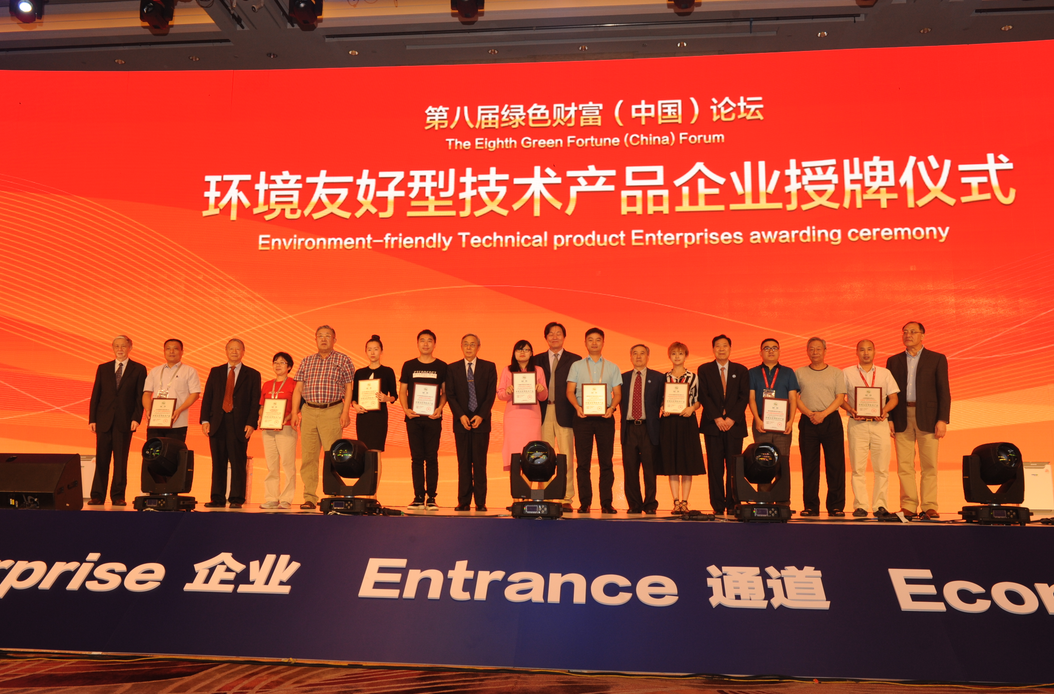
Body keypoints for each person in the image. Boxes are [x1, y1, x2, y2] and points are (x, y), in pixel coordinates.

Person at [886, 321, 951, 520]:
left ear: (923, 335)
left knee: (929, 465)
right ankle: (908, 506)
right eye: (905, 332)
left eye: (913, 332)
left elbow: (944, 391)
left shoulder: (937, 359)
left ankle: (929, 506)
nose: (908, 335)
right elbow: (889, 393)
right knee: (904, 465)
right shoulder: (893, 361)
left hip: (929, 418)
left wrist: (942, 419)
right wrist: (889, 418)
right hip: (901, 416)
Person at [291, 325, 355, 510]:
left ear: (334, 340)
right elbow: (298, 389)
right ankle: (309, 497)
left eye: (328, 336)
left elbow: (349, 388)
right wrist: (295, 412)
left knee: (333, 456)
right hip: (309, 411)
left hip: (332, 410)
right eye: (320, 336)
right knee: (308, 457)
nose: (324, 339)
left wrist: (345, 412)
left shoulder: (343, 359)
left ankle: (333, 495)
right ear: (315, 339)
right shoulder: (307, 361)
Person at [565, 327, 622, 514]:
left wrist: (612, 408)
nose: (594, 343)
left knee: (606, 462)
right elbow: (570, 391)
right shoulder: (577, 366)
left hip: (605, 418)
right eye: (590, 339)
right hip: (583, 418)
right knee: (583, 463)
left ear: (603, 342)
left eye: (598, 339)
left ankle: (606, 502)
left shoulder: (612, 367)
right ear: (585, 343)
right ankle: (585, 502)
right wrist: (577, 407)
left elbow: (617, 393)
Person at [200, 339, 262, 509]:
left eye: (238, 349)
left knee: (238, 462)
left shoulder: (253, 374)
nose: (234, 352)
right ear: (226, 351)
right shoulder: (216, 371)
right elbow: (208, 397)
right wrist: (205, 420)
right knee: (218, 462)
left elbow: (255, 401)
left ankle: (236, 498)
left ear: (243, 352)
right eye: (231, 349)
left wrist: (251, 423)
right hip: (217, 423)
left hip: (240, 424)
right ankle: (217, 498)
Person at [842, 340, 900, 518]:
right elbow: (839, 398)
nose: (866, 353)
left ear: (875, 352)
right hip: (857, 424)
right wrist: (850, 409)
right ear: (856, 352)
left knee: (882, 468)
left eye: (869, 349)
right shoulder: (847, 373)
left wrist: (884, 410)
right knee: (857, 468)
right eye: (862, 350)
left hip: (879, 424)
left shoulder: (885, 373)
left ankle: (880, 505)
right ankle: (860, 506)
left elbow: (894, 398)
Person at [87, 335, 147, 507]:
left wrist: (136, 417)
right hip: (103, 420)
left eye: (123, 346)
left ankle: (118, 495)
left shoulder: (139, 369)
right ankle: (97, 495)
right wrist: (92, 418)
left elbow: (139, 396)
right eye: (117, 346)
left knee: (121, 461)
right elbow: (96, 394)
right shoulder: (103, 368)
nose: (120, 349)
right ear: (113, 348)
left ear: (130, 348)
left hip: (125, 421)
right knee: (101, 459)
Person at [794, 338, 847, 517]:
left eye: (818, 349)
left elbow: (840, 398)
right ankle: (811, 506)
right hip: (808, 420)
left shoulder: (836, 372)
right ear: (807, 351)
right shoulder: (799, 372)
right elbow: (795, 398)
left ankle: (836, 506)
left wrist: (823, 414)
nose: (815, 352)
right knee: (809, 465)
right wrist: (810, 414)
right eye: (811, 349)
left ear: (825, 351)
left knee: (835, 464)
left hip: (831, 420)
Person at [697, 335, 750, 515]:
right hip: (713, 426)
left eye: (724, 346)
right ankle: (718, 505)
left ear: (730, 348)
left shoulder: (741, 370)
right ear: (713, 349)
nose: (721, 349)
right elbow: (704, 395)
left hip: (734, 426)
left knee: (734, 466)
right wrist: (718, 418)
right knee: (715, 467)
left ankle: (733, 503)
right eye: (718, 346)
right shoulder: (704, 369)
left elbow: (744, 397)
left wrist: (731, 419)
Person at [533, 322, 581, 512]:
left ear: (564, 337)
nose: (555, 337)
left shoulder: (575, 360)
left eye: (558, 333)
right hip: (542, 412)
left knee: (566, 456)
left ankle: (565, 497)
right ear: (545, 337)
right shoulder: (536, 359)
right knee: (542, 456)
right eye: (551, 334)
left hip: (565, 412)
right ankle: (543, 495)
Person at [398, 329, 448, 511]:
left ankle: (432, 497)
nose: (425, 344)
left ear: (434, 344)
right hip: (413, 418)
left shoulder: (442, 366)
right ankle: (418, 497)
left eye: (429, 340)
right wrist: (406, 410)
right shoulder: (409, 365)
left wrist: (440, 408)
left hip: (433, 419)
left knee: (432, 458)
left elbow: (445, 393)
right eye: (422, 340)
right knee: (417, 458)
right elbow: (402, 391)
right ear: (417, 343)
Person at [447, 334, 498, 511]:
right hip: (461, 423)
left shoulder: (489, 367)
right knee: (463, 463)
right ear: (461, 346)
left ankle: (481, 502)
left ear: (478, 347)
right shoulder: (452, 368)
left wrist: (481, 415)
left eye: (472, 344)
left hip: (481, 422)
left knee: (480, 463)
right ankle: (463, 501)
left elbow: (491, 394)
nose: (469, 347)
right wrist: (460, 415)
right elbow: (450, 395)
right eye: (466, 344)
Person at [747, 338, 799, 499]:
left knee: (782, 462)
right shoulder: (752, 372)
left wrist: (790, 421)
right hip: (761, 423)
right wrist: (757, 419)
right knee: (763, 461)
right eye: (767, 348)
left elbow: (793, 398)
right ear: (760, 352)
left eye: (774, 348)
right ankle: (764, 500)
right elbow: (751, 398)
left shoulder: (788, 372)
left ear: (779, 351)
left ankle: (783, 501)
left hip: (783, 424)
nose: (771, 351)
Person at [659, 341, 705, 514]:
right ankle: (676, 502)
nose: (677, 357)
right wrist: (663, 408)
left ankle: (685, 502)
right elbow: (660, 400)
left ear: (686, 356)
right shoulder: (664, 378)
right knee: (671, 462)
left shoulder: (694, 377)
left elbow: (699, 400)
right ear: (669, 356)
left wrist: (692, 408)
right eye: (674, 353)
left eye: (680, 353)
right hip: (669, 422)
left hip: (687, 421)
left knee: (687, 463)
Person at [498, 340, 549, 490]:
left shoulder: (538, 371)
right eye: (519, 349)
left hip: (532, 419)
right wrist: (507, 391)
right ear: (514, 353)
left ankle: (527, 493)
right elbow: (500, 394)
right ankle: (517, 495)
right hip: (513, 419)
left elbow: (544, 397)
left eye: (526, 350)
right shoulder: (507, 370)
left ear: (531, 353)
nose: (522, 352)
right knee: (514, 457)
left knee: (531, 455)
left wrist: (541, 389)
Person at [619, 344, 664, 514]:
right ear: (630, 357)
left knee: (650, 469)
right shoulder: (622, 378)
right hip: (629, 428)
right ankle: (634, 504)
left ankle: (650, 504)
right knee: (630, 469)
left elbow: (665, 400)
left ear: (648, 356)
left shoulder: (658, 378)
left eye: (642, 353)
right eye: (635, 353)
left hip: (649, 428)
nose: (638, 357)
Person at [351, 335, 398, 489]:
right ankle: (365, 487)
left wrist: (386, 398)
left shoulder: (387, 371)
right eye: (369, 349)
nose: (372, 352)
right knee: (364, 453)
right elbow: (354, 396)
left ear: (381, 351)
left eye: (376, 349)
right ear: (365, 351)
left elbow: (394, 396)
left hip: (379, 418)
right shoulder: (359, 373)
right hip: (363, 418)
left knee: (376, 454)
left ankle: (373, 490)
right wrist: (355, 405)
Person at [259, 352, 299, 510]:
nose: (278, 365)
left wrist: (285, 419)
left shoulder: (294, 384)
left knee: (288, 465)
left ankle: (286, 499)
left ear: (289, 367)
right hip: (268, 429)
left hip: (287, 427)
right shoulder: (267, 384)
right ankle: (271, 498)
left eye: (282, 362)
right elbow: (262, 406)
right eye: (276, 362)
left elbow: (296, 407)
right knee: (271, 465)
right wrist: (263, 417)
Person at [142, 339, 201, 444]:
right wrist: (148, 409)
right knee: (154, 451)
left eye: (175, 349)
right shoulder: (155, 371)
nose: (171, 351)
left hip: (178, 422)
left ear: (182, 352)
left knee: (174, 452)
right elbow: (147, 393)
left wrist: (179, 410)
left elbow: (195, 394)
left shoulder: (189, 371)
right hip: (155, 421)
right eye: (168, 349)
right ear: (164, 351)